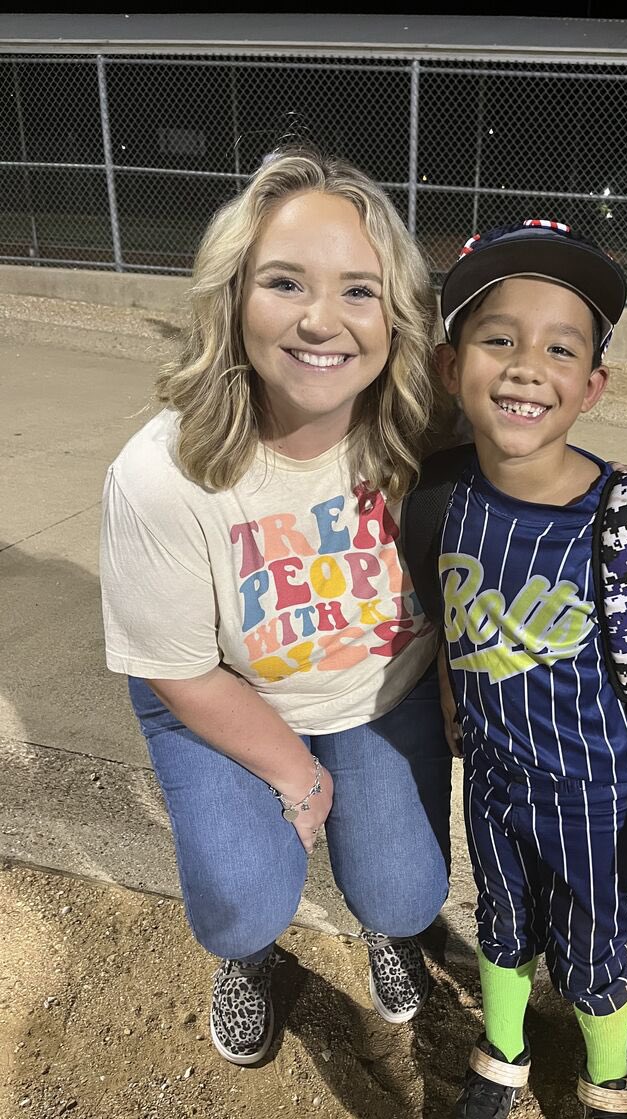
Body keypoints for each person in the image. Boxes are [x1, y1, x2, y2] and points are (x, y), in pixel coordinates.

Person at [99, 145, 458, 1065]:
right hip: (224, 691)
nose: (320, 320)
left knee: (406, 898)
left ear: (396, 316)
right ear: (233, 298)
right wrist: (300, 778)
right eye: (285, 282)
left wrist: (607, 493)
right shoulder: (163, 472)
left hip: (378, 691)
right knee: (241, 903)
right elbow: (180, 670)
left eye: (359, 291)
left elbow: (537, 472)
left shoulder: (425, 430)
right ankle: (251, 957)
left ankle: (383, 924)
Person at [428, 221, 627, 1119]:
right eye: (498, 338)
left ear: (591, 386)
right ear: (453, 366)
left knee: (594, 952)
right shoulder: (447, 499)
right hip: (494, 778)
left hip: (595, 795)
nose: (526, 366)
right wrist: (453, 700)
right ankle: (503, 1059)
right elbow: (448, 615)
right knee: (502, 924)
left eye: (561, 347)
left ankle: (608, 1091)